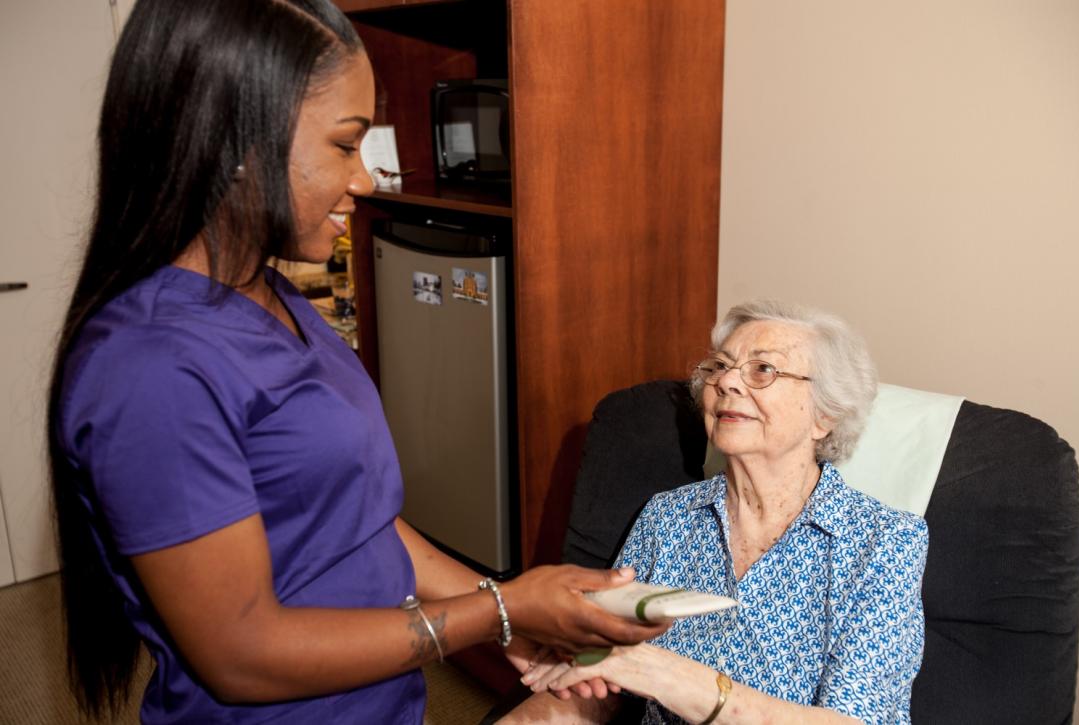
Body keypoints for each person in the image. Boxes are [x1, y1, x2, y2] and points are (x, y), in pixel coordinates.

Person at [46, 1, 668, 722]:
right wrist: (499, 608)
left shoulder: (267, 294)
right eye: (346, 145)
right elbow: (242, 652)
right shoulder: (149, 365)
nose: (365, 180)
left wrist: (507, 614)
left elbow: (363, 521)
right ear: (235, 143)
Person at [504, 300, 929, 724]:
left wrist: (656, 670)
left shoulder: (885, 542)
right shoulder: (667, 517)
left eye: (763, 370)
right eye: (718, 367)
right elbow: (597, 673)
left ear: (824, 417)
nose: (727, 382)